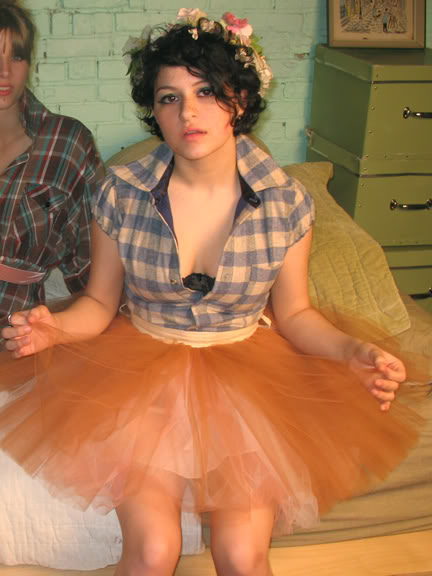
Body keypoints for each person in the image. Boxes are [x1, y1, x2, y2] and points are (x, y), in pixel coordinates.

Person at [0, 9, 423, 576]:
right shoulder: (119, 194)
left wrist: (352, 351)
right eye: (169, 98)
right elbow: (98, 306)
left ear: (240, 100)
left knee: (242, 558)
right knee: (153, 553)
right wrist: (54, 328)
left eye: (206, 92)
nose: (188, 112)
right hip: (140, 377)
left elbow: (296, 314)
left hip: (247, 378)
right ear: (154, 111)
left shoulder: (286, 203)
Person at [0, 0, 104, 333]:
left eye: (17, 56)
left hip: (14, 332)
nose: (5, 71)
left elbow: (92, 272)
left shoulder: (66, 144)